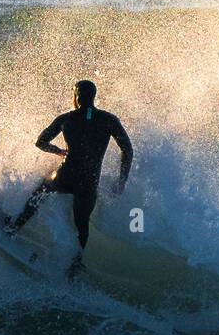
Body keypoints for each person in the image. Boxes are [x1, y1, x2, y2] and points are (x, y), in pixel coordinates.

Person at [7, 80, 132, 274]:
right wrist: (122, 179)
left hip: (65, 176)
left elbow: (40, 142)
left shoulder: (67, 118)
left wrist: (58, 151)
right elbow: (127, 149)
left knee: (42, 191)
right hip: (89, 182)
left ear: (76, 96)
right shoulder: (109, 120)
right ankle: (76, 263)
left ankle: (15, 227)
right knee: (82, 224)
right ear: (94, 96)